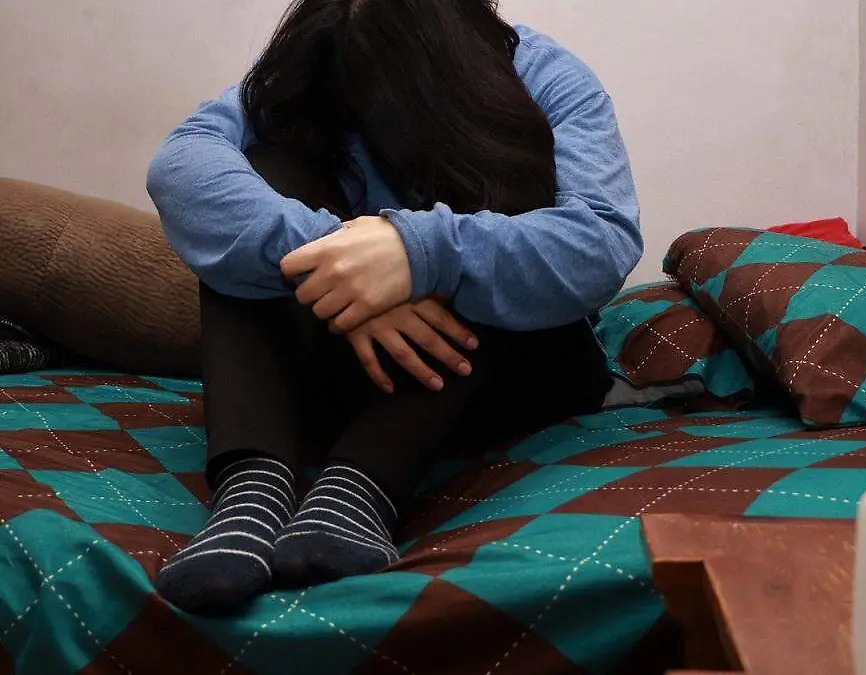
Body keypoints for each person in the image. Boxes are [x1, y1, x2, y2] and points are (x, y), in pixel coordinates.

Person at [146, 0, 641, 614]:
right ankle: (251, 493)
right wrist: (340, 257)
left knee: (499, 216)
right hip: (353, 362)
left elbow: (603, 241)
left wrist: (420, 253)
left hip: (518, 379)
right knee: (255, 188)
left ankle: (357, 491)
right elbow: (182, 161)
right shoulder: (321, 56)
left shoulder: (547, 76)